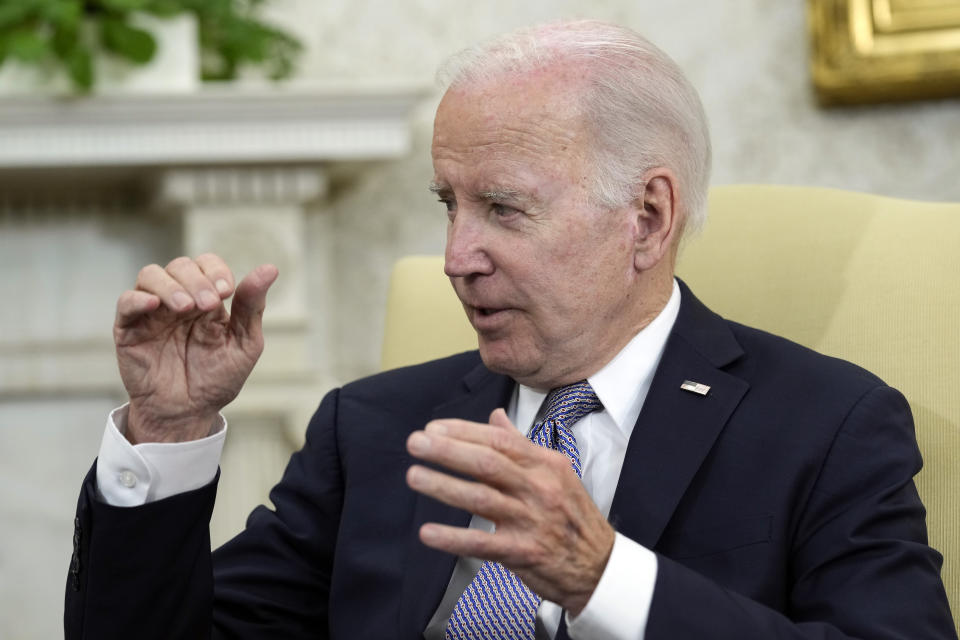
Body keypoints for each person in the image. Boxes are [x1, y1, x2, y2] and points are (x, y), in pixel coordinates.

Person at [65, 20, 956, 640]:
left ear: (646, 217)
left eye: (503, 208)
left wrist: (605, 578)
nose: (457, 257)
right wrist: (170, 434)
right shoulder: (374, 426)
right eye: (449, 204)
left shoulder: (827, 424)